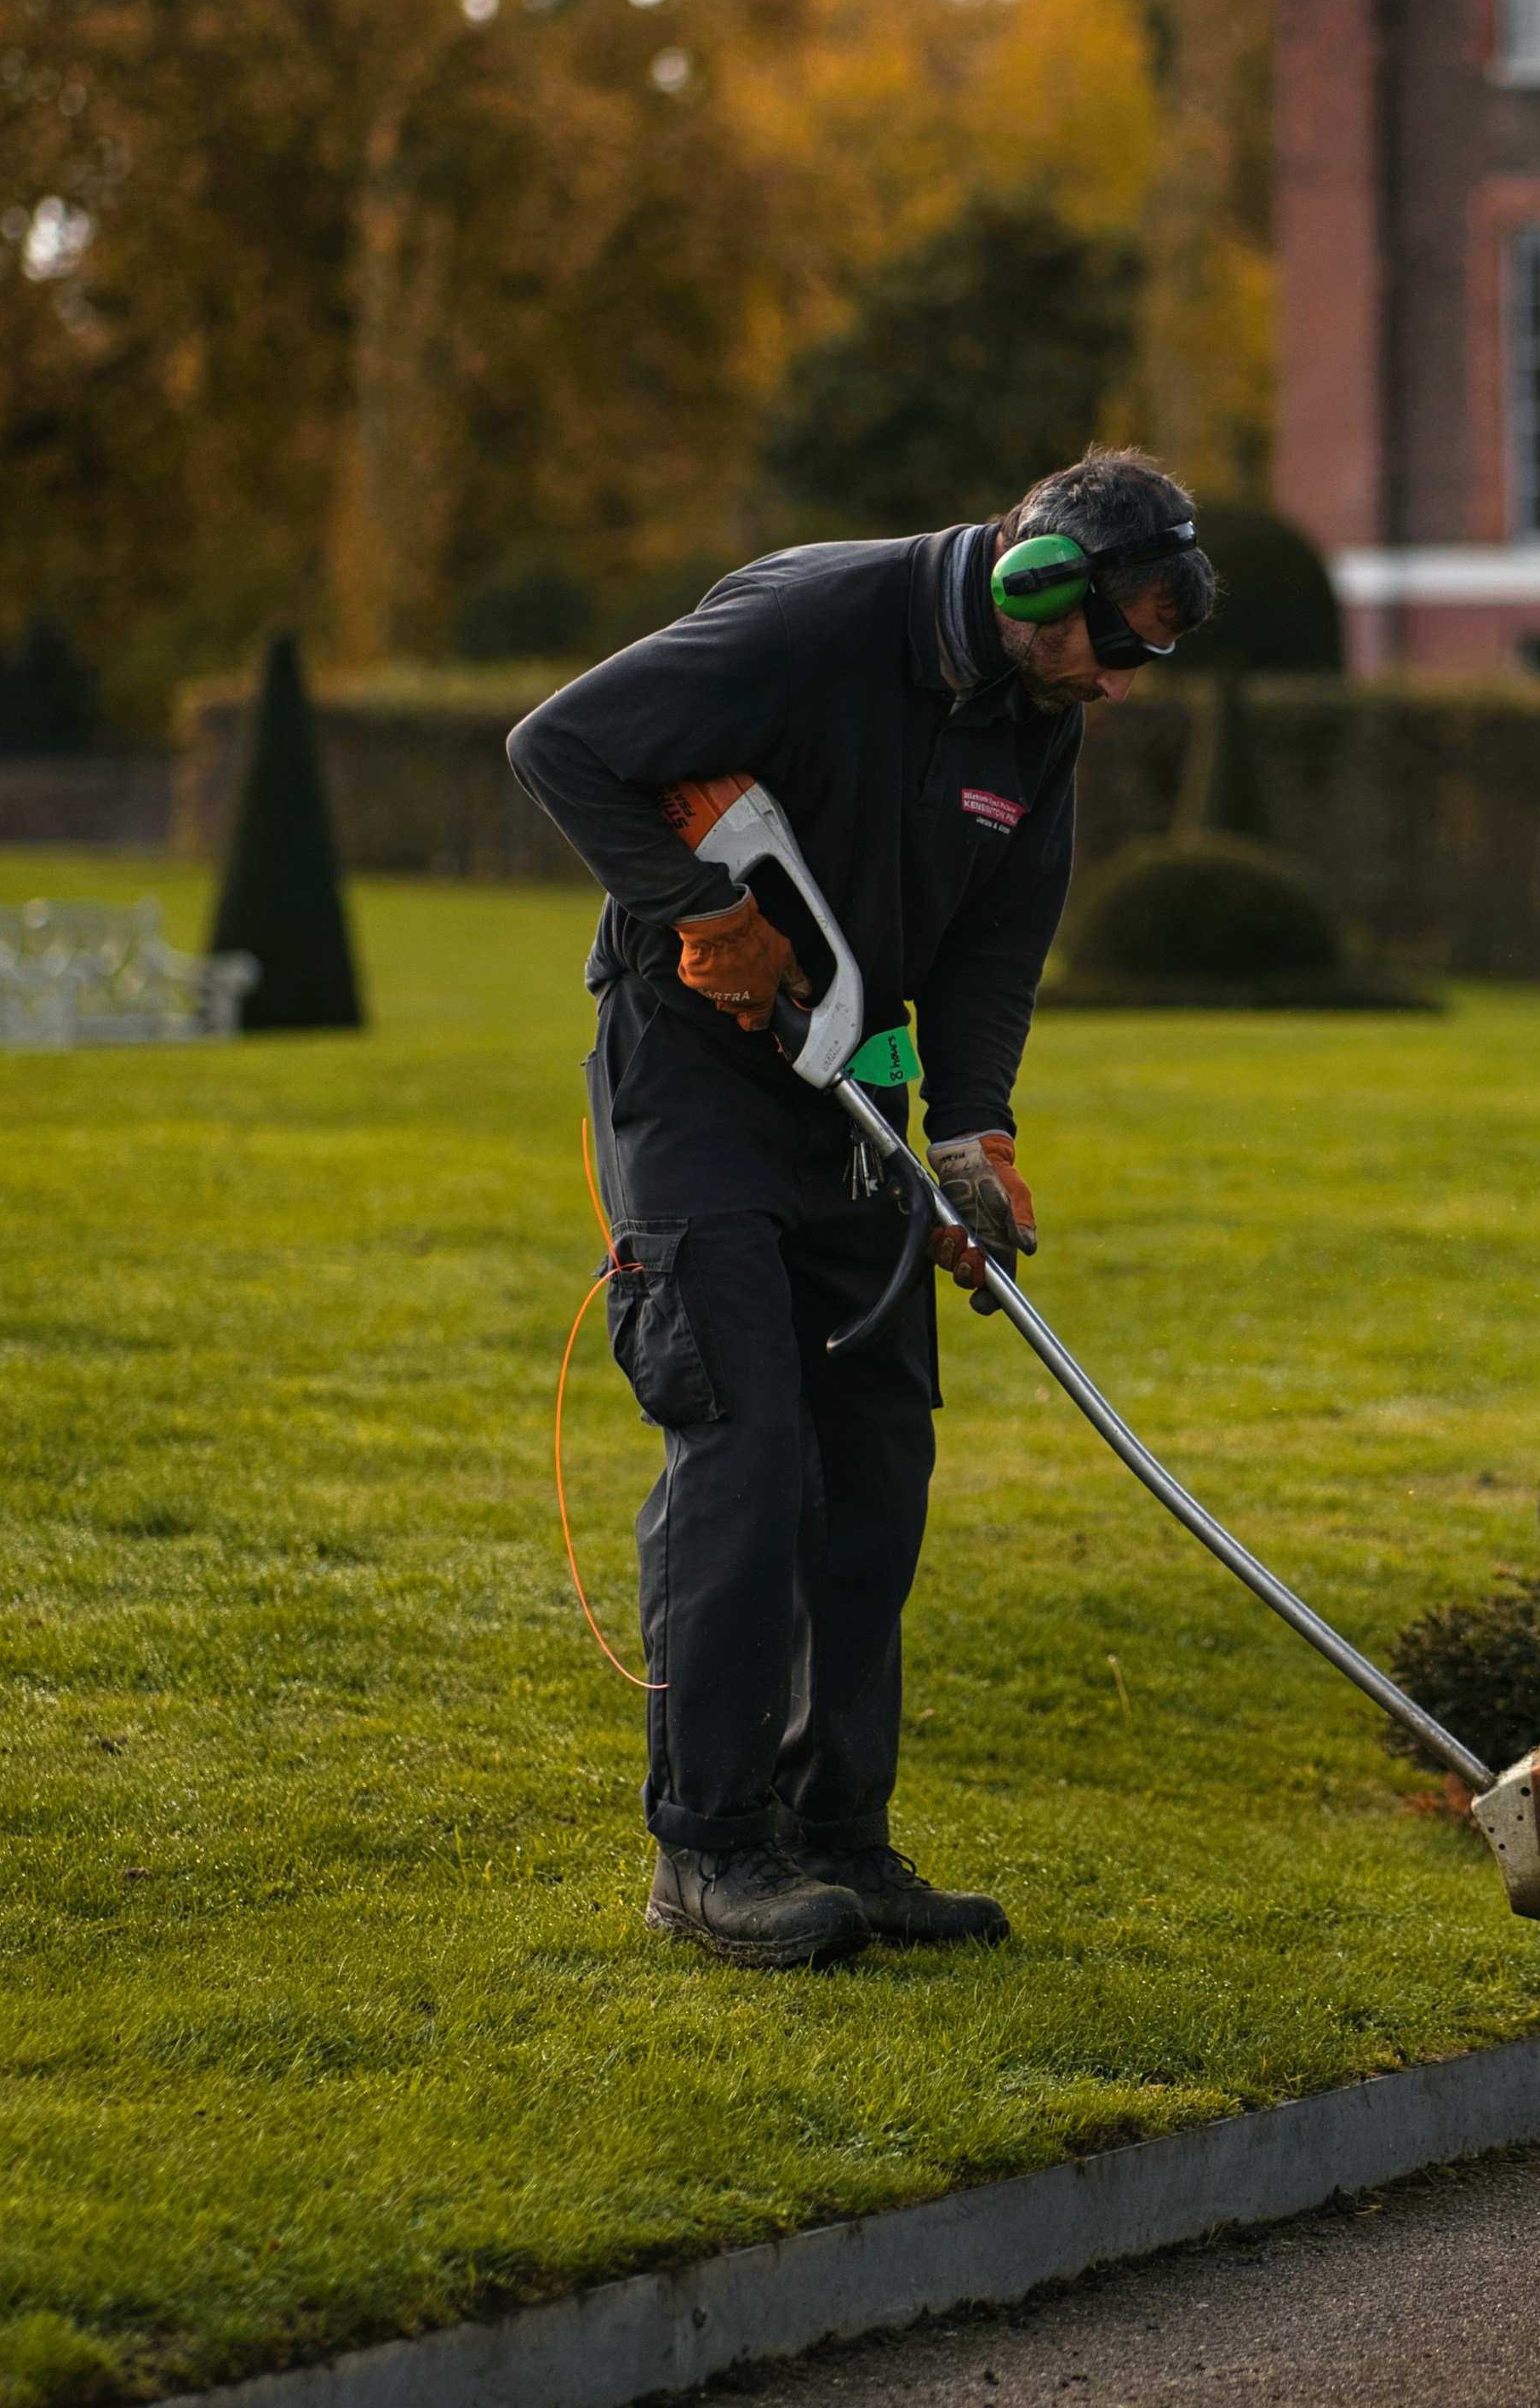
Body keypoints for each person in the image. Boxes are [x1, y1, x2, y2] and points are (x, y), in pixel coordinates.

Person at [508, 448, 1221, 1967]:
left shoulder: (1038, 724)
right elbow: (559, 745)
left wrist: (972, 1140)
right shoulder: (817, 618)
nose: (1118, 685)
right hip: (691, 1077)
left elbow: (989, 956)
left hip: (850, 1089)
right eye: (1115, 645)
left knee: (876, 1458)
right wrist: (703, 912)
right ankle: (707, 1853)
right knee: (746, 1434)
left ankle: (840, 1839)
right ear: (1037, 581)